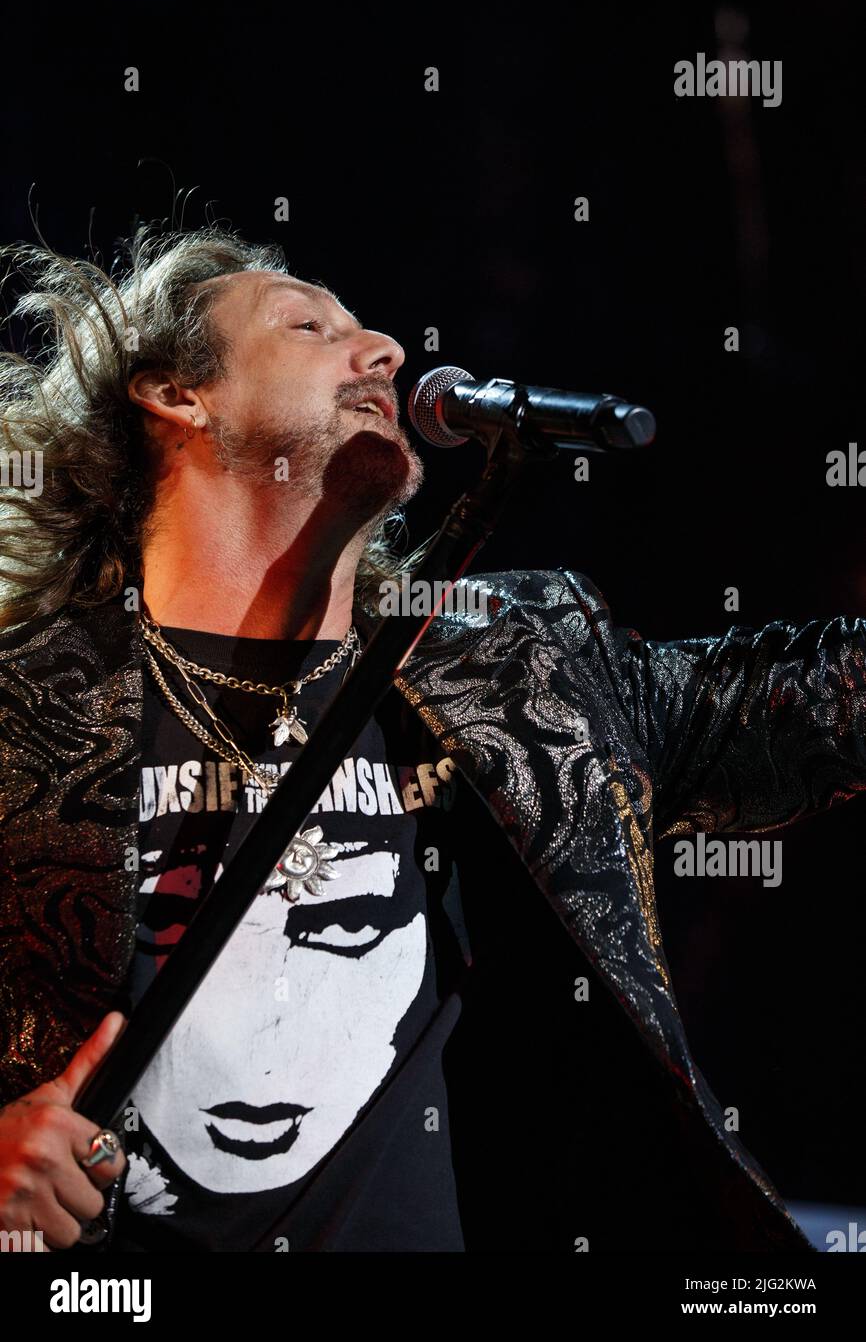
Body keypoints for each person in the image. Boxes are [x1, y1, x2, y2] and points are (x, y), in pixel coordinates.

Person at [0, 226, 862, 1253]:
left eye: (369, 330)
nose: (386, 353)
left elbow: (815, 701)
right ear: (177, 396)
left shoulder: (516, 677)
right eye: (309, 324)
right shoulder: (28, 712)